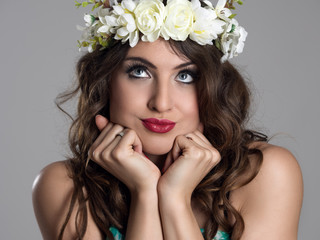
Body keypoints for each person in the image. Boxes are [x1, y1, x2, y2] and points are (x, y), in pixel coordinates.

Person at [32, 0, 303, 239]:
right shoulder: (65, 187)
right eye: (139, 72)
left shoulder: (262, 173)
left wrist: (174, 199)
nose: (161, 103)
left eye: (185, 76)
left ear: (212, 86)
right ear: (106, 82)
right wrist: (144, 192)